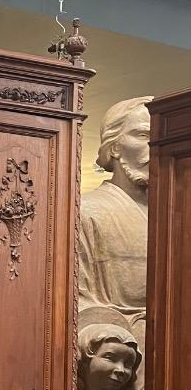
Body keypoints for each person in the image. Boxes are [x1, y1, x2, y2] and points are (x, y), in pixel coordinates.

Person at [78, 96, 150, 348]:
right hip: (120, 348)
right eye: (142, 135)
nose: (153, 145)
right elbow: (75, 298)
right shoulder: (86, 211)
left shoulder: (176, 216)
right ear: (114, 146)